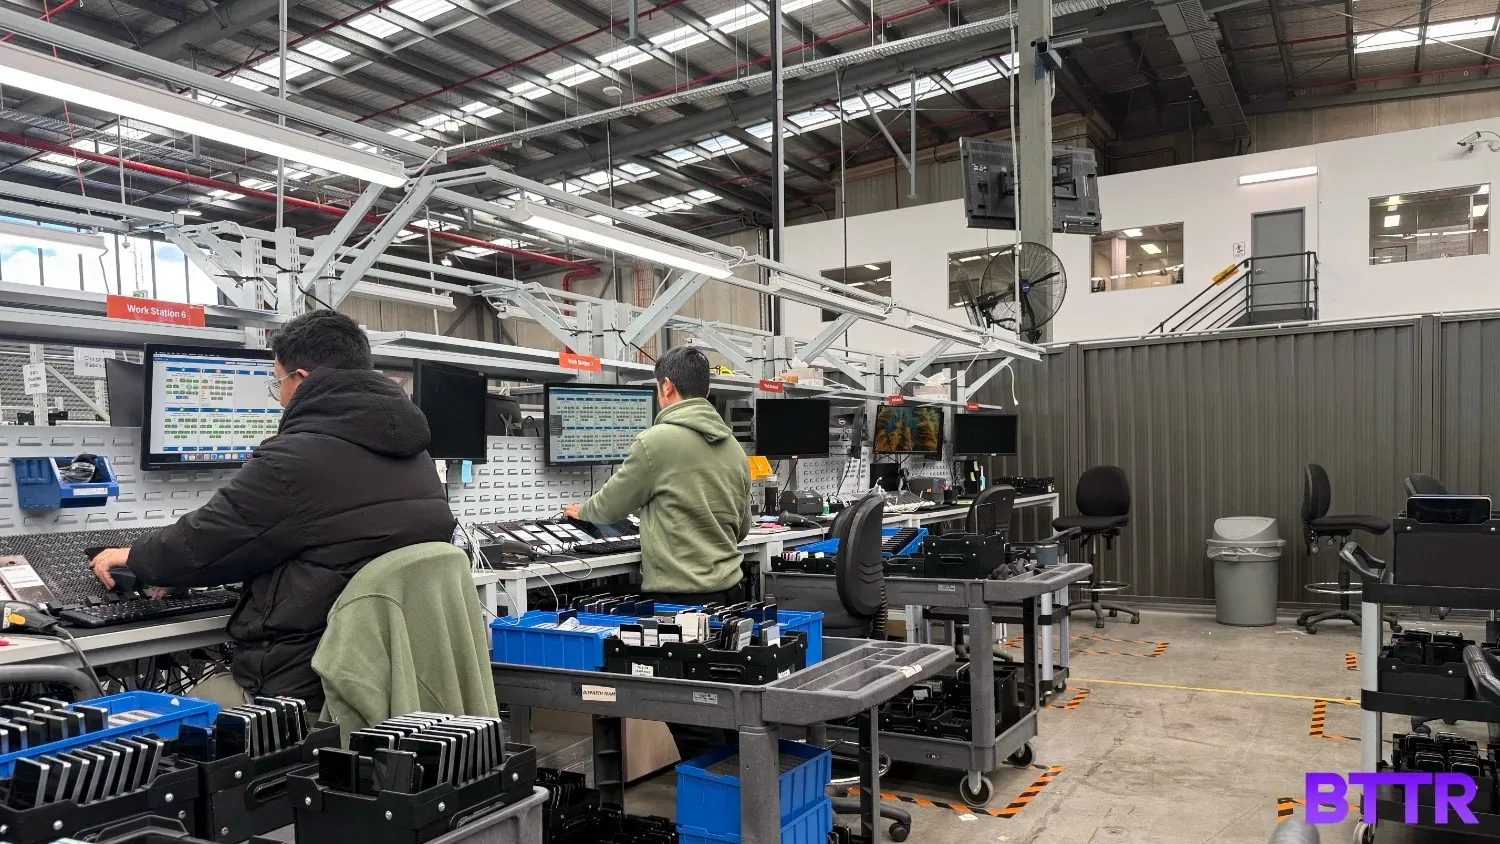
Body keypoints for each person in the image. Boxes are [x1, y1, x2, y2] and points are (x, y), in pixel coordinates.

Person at [87, 310, 456, 711]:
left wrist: (135, 557)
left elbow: (203, 543)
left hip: (303, 683)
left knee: (152, 719)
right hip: (384, 674)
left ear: (300, 378)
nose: (278, 396)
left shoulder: (296, 458)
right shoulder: (416, 455)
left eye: (275, 382)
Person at [562, 346, 751, 759]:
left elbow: (611, 505)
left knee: (691, 719)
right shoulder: (735, 449)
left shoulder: (656, 442)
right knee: (726, 710)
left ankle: (722, 812)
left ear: (666, 387)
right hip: (730, 596)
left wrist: (582, 511)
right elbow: (743, 527)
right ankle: (747, 800)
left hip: (679, 600)